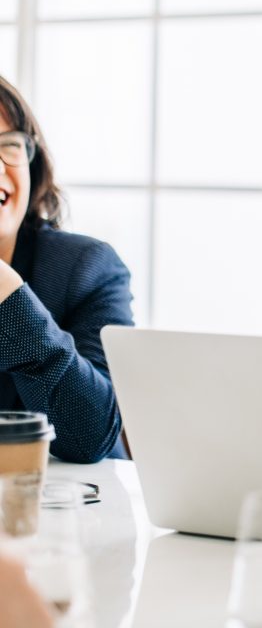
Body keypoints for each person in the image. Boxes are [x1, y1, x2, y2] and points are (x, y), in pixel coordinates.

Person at [0, 75, 132, 463]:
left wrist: (8, 295)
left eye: (8, 146)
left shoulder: (87, 268)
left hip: (78, 513)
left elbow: (91, 437)